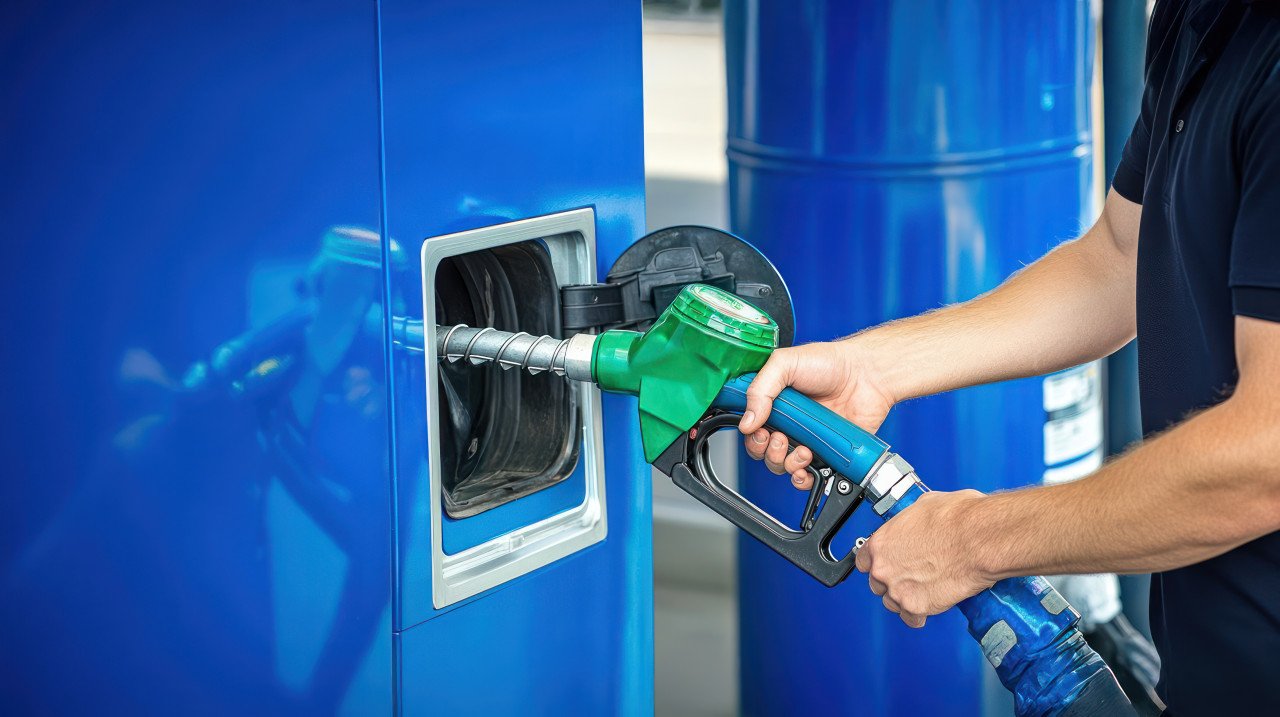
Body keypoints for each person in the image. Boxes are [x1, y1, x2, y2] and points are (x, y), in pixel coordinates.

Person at [738, 1, 1280, 714]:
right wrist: (873, 367)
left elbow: (1265, 455)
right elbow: (1118, 259)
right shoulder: (1198, 17)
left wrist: (974, 540)